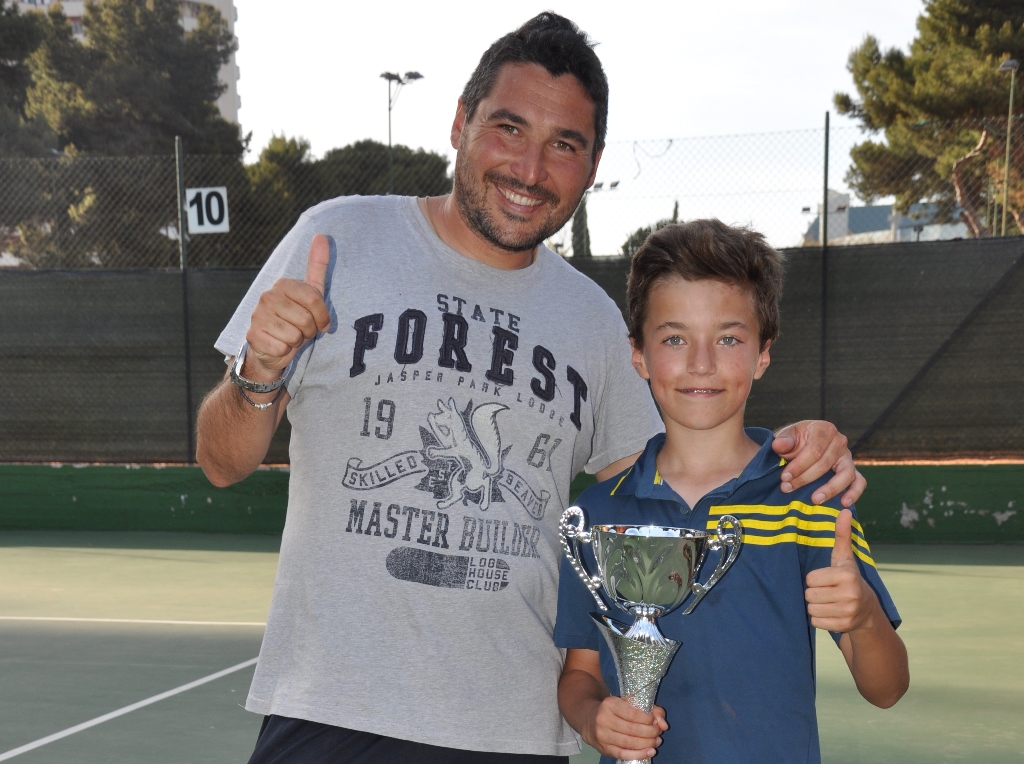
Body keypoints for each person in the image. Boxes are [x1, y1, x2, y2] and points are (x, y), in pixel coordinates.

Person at [196, 13, 866, 763]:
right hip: (330, 710)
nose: (530, 168)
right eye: (509, 129)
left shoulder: (591, 319)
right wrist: (258, 369)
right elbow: (223, 462)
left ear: (593, 162)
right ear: (460, 122)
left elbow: (672, 477)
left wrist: (799, 447)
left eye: (564, 145)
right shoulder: (336, 240)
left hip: (510, 730)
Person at [554, 219, 909, 764]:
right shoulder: (597, 516)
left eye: (728, 338)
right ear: (639, 355)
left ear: (763, 353)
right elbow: (579, 676)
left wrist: (862, 616)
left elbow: (887, 689)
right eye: (674, 338)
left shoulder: (808, 497)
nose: (701, 362)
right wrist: (596, 720)